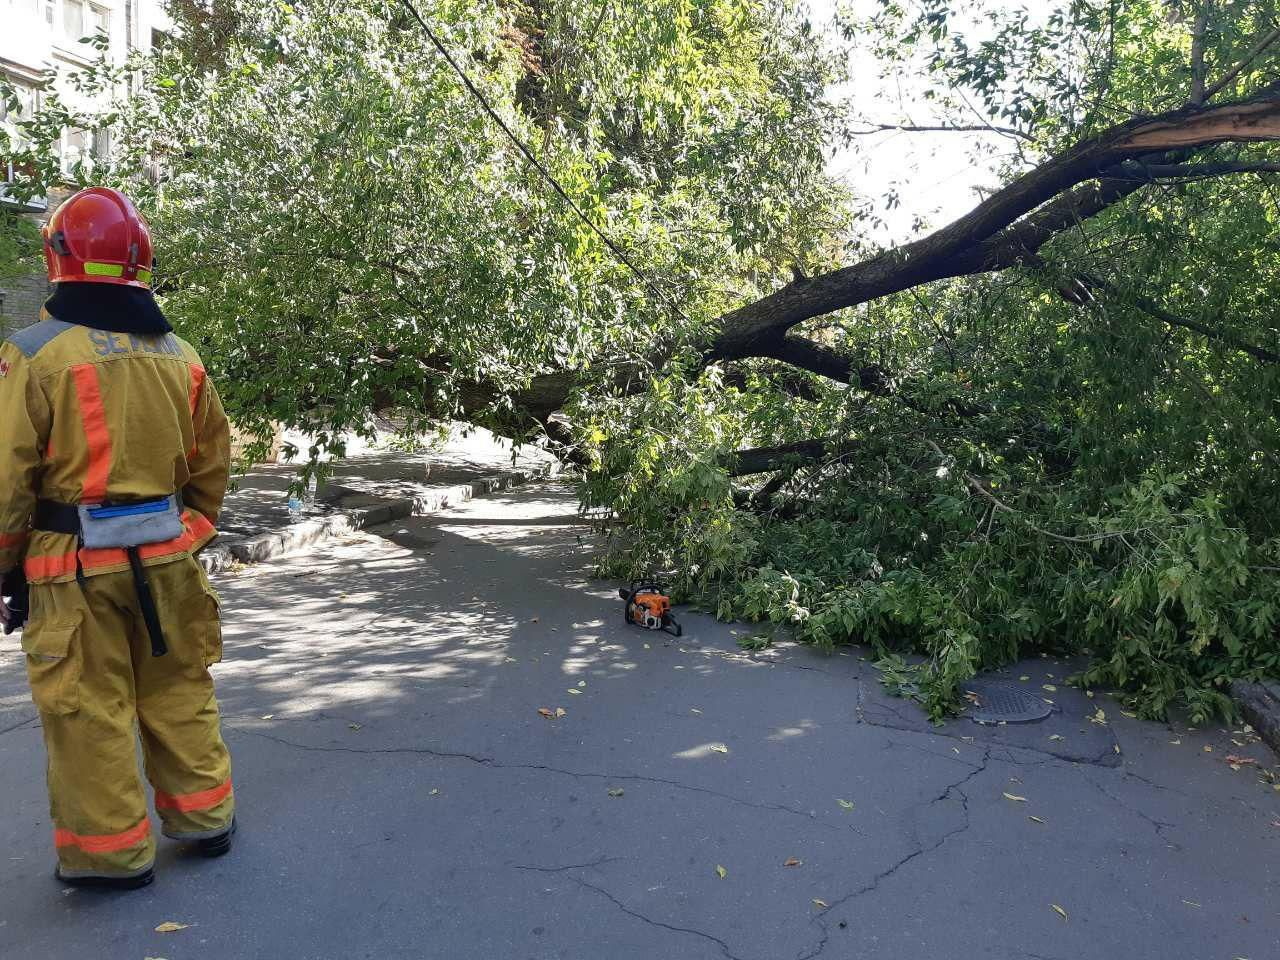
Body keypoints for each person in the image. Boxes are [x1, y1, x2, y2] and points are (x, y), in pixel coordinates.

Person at [0, 186, 235, 890]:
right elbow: (213, 464)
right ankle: (206, 818)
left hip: (73, 574)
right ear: (142, 263)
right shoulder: (181, 354)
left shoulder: (33, 354)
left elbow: (8, 479)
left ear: (56, 259)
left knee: (87, 711)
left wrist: (7, 572)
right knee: (178, 689)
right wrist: (183, 534)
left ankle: (110, 857)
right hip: (168, 561)